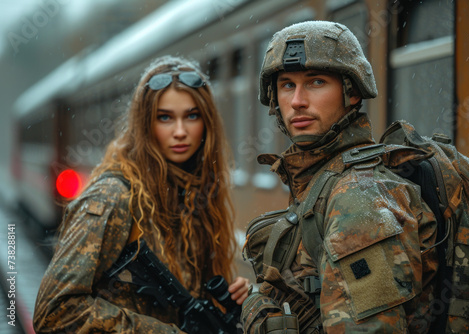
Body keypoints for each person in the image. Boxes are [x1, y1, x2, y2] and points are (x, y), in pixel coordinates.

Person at [241, 21, 439, 333]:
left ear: (352, 93)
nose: (297, 101)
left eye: (316, 82)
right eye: (287, 85)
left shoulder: (359, 197)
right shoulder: (323, 178)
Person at [34, 55, 249, 333]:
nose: (181, 132)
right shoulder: (112, 197)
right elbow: (53, 312)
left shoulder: (195, 195)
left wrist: (225, 302)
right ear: (145, 124)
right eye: (165, 118)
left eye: (192, 116)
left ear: (207, 122)